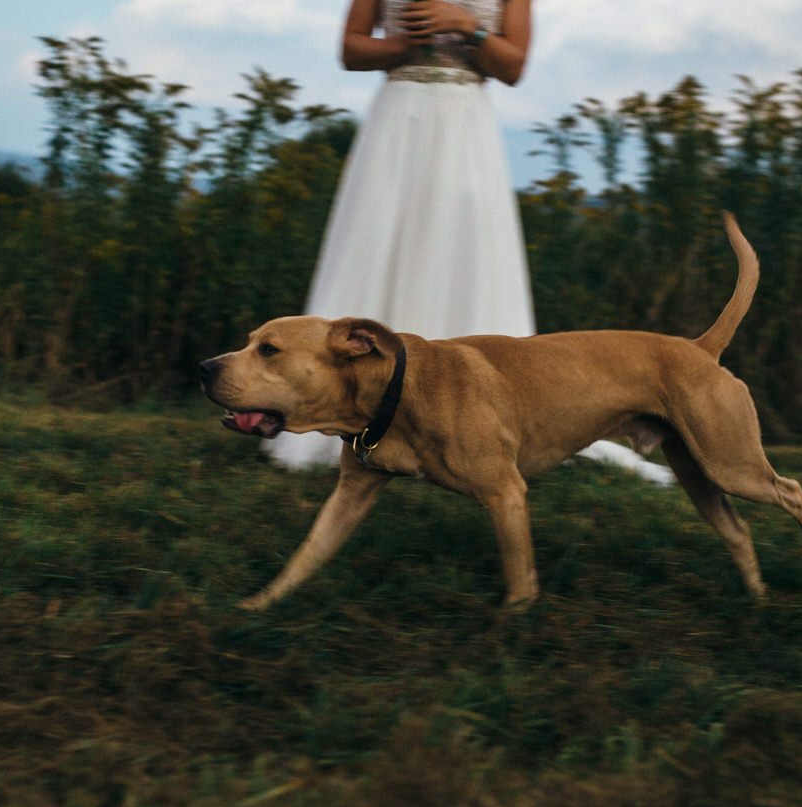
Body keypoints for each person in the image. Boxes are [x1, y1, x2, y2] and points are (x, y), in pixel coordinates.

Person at [263, 0, 674, 486]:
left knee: (464, 257)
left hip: (465, 125)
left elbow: (514, 66)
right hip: (398, 121)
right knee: (378, 249)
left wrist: (468, 28)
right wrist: (404, 44)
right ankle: (348, 415)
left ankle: (473, 427)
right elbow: (351, 50)